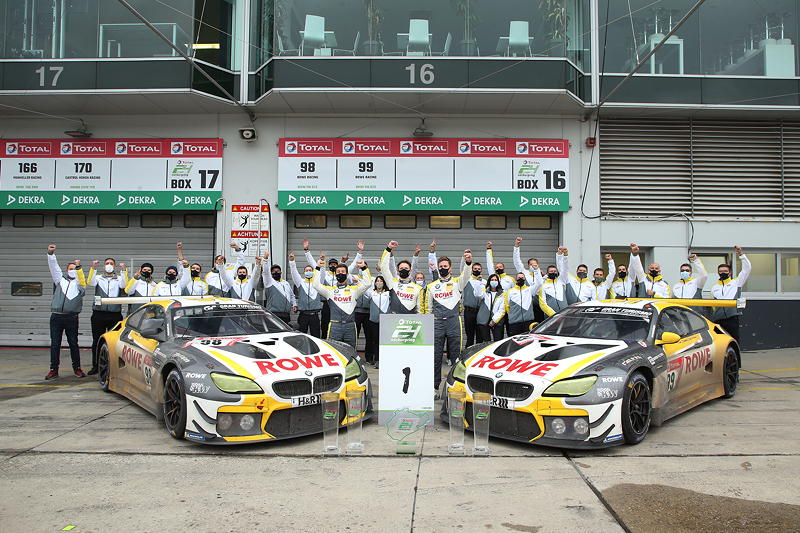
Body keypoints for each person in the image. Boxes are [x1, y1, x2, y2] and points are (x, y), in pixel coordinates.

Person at [419, 249, 473, 394]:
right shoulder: (431, 286)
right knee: (435, 357)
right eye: (440, 266)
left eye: (445, 266)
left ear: (450, 268)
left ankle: (453, 388)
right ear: (438, 267)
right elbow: (429, 308)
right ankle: (435, 387)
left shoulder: (457, 283)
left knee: (456, 357)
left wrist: (468, 262)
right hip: (437, 323)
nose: (443, 268)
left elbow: (466, 275)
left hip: (454, 321)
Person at [45, 244, 87, 380]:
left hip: (71, 317)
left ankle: (77, 368)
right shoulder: (60, 280)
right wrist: (51, 254)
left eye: (75, 269)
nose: (72, 271)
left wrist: (79, 268)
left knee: (73, 343)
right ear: (66, 270)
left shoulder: (80, 284)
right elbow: (54, 267)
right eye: (71, 269)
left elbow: (82, 282)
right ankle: (53, 369)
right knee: (55, 343)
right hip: (56, 317)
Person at [311, 255, 371, 348]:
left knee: (351, 351)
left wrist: (364, 268)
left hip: (350, 325)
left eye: (343, 272)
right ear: (335, 274)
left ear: (347, 274)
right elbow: (315, 285)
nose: (340, 273)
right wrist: (318, 268)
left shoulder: (354, 290)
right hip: (334, 325)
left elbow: (368, 283)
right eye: (338, 272)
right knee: (333, 351)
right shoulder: (330, 290)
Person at [86, 257, 128, 375]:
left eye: (111, 264)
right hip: (98, 314)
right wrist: (93, 268)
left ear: (114, 267)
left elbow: (124, 284)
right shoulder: (99, 278)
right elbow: (90, 282)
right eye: (107, 263)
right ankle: (95, 366)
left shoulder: (119, 278)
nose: (109, 265)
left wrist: (124, 270)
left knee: (114, 342)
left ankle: (112, 367)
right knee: (97, 340)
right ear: (104, 266)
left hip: (114, 315)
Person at [710, 246, 751, 342]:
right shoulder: (714, 288)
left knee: (734, 341)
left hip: (732, 318)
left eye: (725, 271)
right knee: (719, 342)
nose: (722, 273)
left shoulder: (736, 283)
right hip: (718, 321)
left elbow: (747, 269)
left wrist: (741, 255)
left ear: (730, 273)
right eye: (720, 271)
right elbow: (712, 307)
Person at [304, 238, 337, 338]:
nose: (333, 266)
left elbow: (350, 268)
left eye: (335, 264)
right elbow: (315, 266)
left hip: (337, 303)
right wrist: (307, 251)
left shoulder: (341, 275)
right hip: (325, 304)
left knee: (335, 325)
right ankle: (324, 341)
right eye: (331, 264)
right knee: (324, 324)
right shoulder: (325, 274)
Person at [381, 241, 424, 314]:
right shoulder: (392, 283)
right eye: (401, 269)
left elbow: (420, 310)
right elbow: (383, 267)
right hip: (393, 322)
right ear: (397, 271)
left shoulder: (418, 288)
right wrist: (388, 249)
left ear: (410, 271)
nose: (404, 270)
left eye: (406, 268)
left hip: (410, 322)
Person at [288, 252, 323, 337]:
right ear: (304, 272)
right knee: (301, 337)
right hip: (303, 315)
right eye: (306, 270)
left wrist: (322, 262)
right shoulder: (300, 282)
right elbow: (294, 272)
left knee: (316, 336)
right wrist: (292, 261)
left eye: (310, 270)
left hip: (314, 316)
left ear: (313, 272)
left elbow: (321, 273)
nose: (308, 272)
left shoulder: (317, 282)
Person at [512, 236, 546, 322]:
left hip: (540, 303)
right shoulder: (524, 273)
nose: (533, 266)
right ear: (528, 266)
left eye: (535, 265)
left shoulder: (541, 276)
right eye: (531, 265)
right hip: (527, 301)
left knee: (540, 322)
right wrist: (516, 246)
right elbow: (517, 260)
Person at [500, 270, 542, 335]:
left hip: (528, 322)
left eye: (522, 278)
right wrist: (512, 316)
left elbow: (539, 283)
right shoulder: (510, 291)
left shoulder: (529, 290)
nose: (520, 279)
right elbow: (507, 306)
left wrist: (536, 271)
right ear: (516, 279)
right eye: (519, 277)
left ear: (525, 279)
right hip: (515, 323)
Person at [262, 252, 296, 324]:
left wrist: (294, 304)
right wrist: (265, 260)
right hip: (274, 314)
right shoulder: (269, 282)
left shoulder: (286, 283)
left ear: (281, 272)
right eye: (273, 271)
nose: (276, 272)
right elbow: (265, 272)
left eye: (278, 271)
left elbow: (292, 295)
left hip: (286, 314)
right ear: (271, 273)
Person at [365, 275, 390, 367]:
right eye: (377, 281)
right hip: (373, 321)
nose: (379, 283)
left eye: (381, 281)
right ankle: (377, 360)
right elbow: (364, 287)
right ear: (375, 283)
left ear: (384, 283)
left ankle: (385, 359)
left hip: (385, 321)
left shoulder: (388, 293)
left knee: (384, 341)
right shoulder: (371, 293)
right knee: (375, 341)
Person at [539, 247, 570, 317]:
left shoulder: (561, 280)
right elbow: (542, 304)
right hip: (550, 317)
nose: (553, 272)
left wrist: (564, 255)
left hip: (564, 315)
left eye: (555, 271)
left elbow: (565, 268)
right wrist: (553, 315)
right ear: (547, 273)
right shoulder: (543, 285)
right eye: (551, 271)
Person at [477, 274, 505, 342]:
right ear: (489, 281)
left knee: (498, 342)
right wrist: (478, 282)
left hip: (497, 321)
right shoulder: (484, 292)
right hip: (484, 320)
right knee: (486, 342)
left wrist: (494, 320)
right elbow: (478, 294)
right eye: (492, 280)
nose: (494, 281)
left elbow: (502, 309)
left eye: (495, 280)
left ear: (498, 282)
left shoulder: (503, 294)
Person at [462, 261, 484, 346]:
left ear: (481, 270)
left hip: (480, 312)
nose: (477, 270)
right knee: (470, 336)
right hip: (469, 311)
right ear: (471, 270)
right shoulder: (467, 280)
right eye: (475, 269)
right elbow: (462, 270)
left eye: (479, 269)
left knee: (480, 336)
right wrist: (465, 260)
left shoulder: (484, 282)